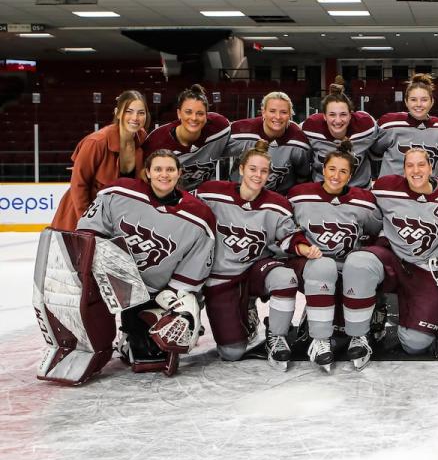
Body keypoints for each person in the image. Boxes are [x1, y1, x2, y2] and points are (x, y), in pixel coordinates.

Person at [76, 149, 216, 374]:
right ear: (147, 173)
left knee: (148, 357)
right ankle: (117, 335)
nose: (164, 174)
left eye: (170, 169)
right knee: (139, 353)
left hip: (159, 291)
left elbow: (195, 265)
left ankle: (143, 330)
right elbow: (88, 233)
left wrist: (173, 298)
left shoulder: (199, 217)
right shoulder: (118, 193)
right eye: (158, 169)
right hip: (116, 282)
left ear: (179, 173)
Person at [341, 148, 438, 363]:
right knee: (359, 261)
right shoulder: (385, 188)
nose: (416, 170)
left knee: (416, 344)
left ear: (432, 167)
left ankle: (407, 316)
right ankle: (359, 335)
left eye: (421, 164)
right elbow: (367, 213)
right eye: (410, 165)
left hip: (426, 268)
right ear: (403, 169)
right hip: (391, 260)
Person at [195, 140, 310, 370]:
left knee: (285, 278)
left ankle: (277, 337)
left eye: (264, 171)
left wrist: (302, 247)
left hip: (255, 268)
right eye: (253, 169)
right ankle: (245, 310)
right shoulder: (211, 193)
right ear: (241, 169)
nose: (258, 175)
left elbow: (288, 235)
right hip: (222, 277)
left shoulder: (277, 204)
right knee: (231, 352)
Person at [287, 142, 383, 371]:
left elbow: (375, 231)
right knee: (323, 266)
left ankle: (359, 336)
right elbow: (286, 230)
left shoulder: (364, 201)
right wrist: (301, 247)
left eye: (343, 171)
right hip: (311, 264)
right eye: (332, 169)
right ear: (323, 169)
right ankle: (320, 339)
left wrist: (362, 257)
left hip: (348, 267)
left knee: (358, 264)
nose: (336, 176)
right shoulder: (299, 196)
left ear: (351, 175)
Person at [51, 90, 149, 231]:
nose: (135, 117)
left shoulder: (142, 138)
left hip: (113, 217)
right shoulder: (96, 142)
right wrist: (86, 222)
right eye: (129, 111)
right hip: (80, 214)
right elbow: (79, 185)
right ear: (118, 113)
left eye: (141, 112)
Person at [142, 84, 230, 191]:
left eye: (200, 113)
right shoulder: (156, 141)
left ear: (207, 116)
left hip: (201, 197)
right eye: (188, 112)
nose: (194, 118)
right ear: (179, 113)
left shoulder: (219, 127)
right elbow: (143, 177)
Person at [226, 91, 311, 195]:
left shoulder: (299, 142)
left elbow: (303, 178)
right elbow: (216, 150)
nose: (278, 117)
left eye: (283, 112)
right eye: (272, 111)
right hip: (239, 197)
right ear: (263, 112)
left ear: (290, 114)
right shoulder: (241, 131)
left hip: (278, 201)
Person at [371, 73, 438, 177]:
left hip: (425, 190)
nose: (418, 104)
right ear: (406, 102)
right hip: (392, 190)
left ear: (432, 102)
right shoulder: (389, 124)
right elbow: (375, 153)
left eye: (424, 100)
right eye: (413, 99)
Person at [301, 90, 378, 187]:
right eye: (332, 114)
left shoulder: (366, 127)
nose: (338, 120)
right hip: (321, 189)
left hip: (359, 190)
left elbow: (378, 151)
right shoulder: (311, 128)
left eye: (343, 114)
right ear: (324, 116)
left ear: (350, 115)